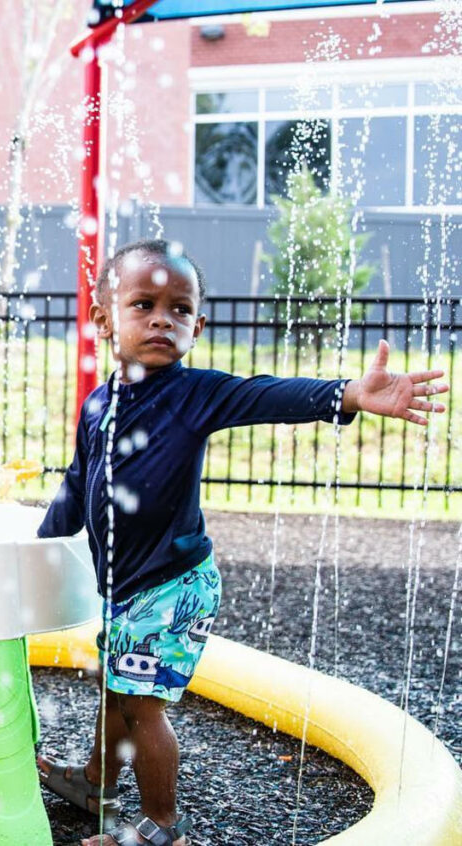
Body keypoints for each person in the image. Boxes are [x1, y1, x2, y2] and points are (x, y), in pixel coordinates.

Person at [35, 239, 448, 846]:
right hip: (129, 587)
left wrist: (350, 394)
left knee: (141, 703)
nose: (160, 319)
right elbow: (80, 482)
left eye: (178, 310)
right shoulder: (99, 405)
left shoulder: (195, 393)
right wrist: (37, 547)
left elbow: (268, 394)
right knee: (115, 688)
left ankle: (163, 826)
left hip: (173, 585)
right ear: (103, 320)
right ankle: (96, 783)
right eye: (143, 304)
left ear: (197, 326)